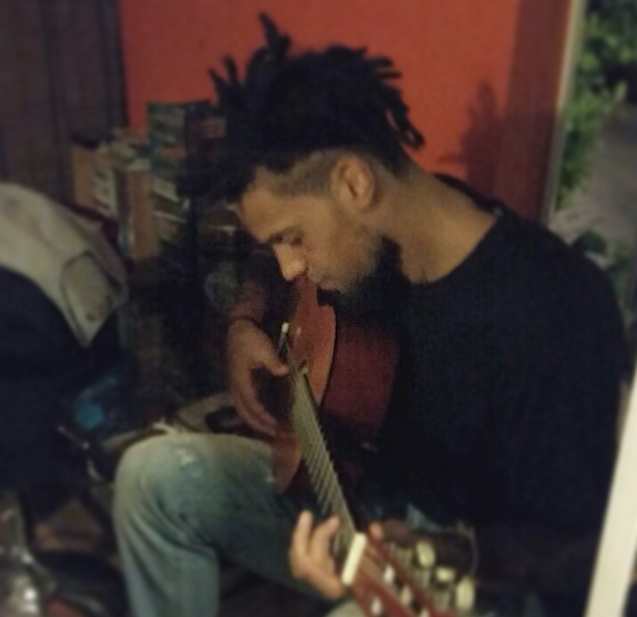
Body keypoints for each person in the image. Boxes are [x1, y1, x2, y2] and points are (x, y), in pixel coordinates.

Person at [113, 15, 626, 617]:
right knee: (150, 476)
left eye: (294, 238)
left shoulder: (552, 313)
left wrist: (442, 552)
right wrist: (245, 324)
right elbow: (267, 263)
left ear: (354, 183)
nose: (290, 267)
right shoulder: (371, 239)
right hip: (356, 491)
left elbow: (583, 550)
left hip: (466, 570)